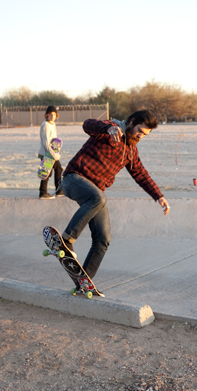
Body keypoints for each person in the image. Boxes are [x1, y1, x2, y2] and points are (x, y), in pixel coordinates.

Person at [60, 110, 170, 282]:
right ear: (132, 122)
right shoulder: (111, 129)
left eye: (145, 134)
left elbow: (141, 175)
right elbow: (87, 124)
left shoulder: (131, 151)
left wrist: (159, 196)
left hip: (94, 193)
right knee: (99, 198)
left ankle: (84, 281)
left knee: (103, 239)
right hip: (73, 179)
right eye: (140, 131)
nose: (141, 136)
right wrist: (108, 130)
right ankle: (66, 240)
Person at [38, 105, 64, 199]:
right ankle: (43, 193)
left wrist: (57, 150)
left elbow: (54, 140)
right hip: (46, 153)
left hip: (52, 152)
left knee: (58, 169)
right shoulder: (45, 125)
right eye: (50, 114)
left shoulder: (52, 124)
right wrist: (54, 155)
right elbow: (46, 143)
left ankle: (59, 190)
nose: (52, 116)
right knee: (46, 172)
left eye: (54, 114)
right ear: (47, 115)